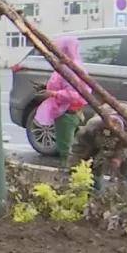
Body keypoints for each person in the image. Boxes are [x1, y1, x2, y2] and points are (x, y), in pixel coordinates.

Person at [34, 36, 89, 166]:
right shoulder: (73, 65)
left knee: (66, 147)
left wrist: (53, 93)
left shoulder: (69, 69)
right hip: (72, 111)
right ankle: (77, 172)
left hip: (67, 111)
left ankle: (68, 173)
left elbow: (74, 94)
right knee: (75, 145)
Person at [69, 102, 127, 192]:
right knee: (95, 165)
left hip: (126, 141)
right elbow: (79, 148)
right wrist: (76, 165)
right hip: (96, 140)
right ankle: (95, 190)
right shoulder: (92, 127)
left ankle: (123, 191)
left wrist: (118, 157)